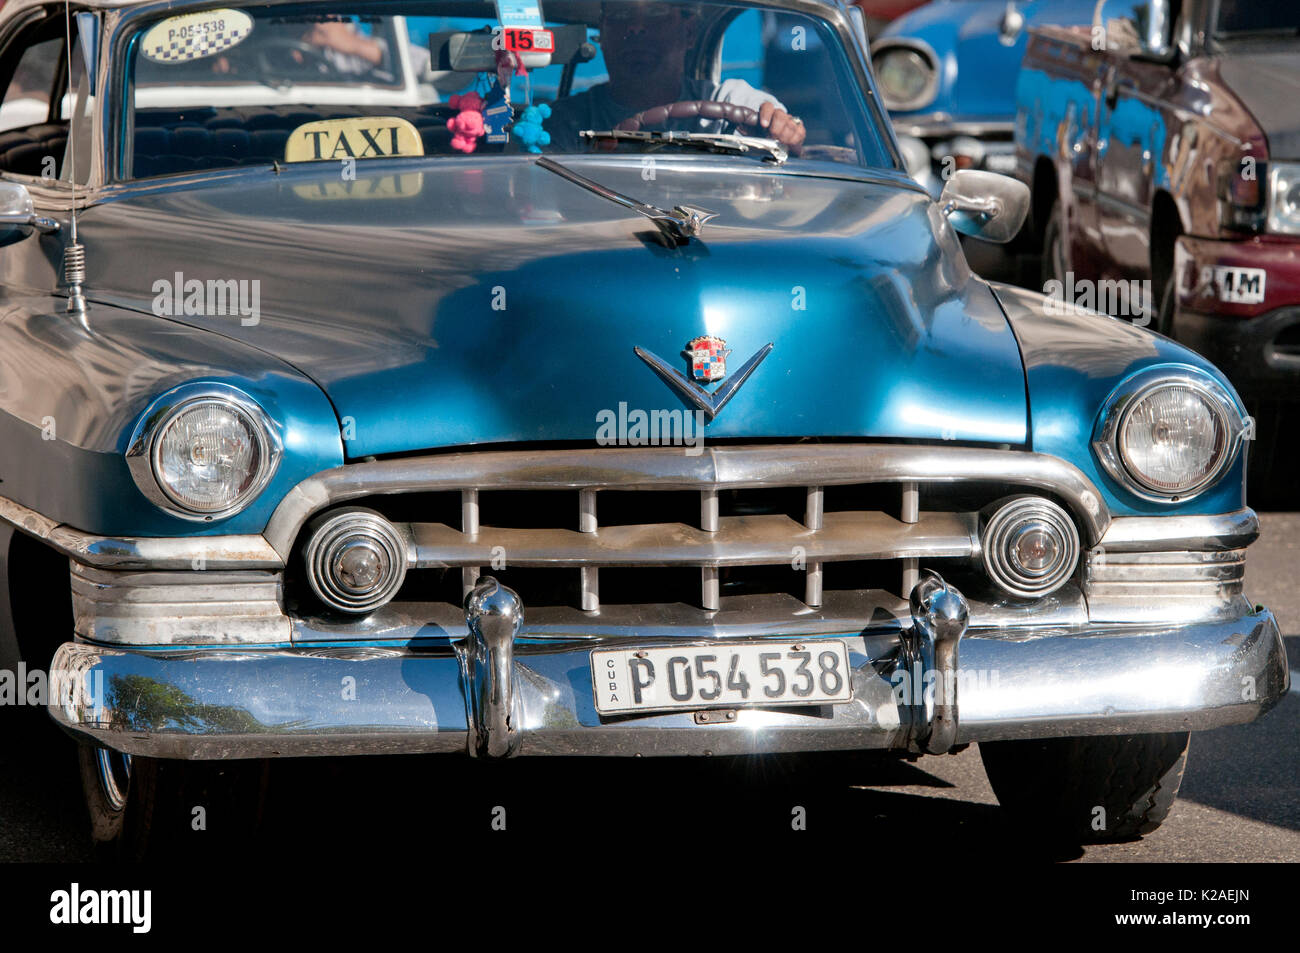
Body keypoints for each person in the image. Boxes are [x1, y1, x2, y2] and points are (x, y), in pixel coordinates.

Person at [545, 1, 806, 152]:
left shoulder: (730, 100)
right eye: (621, 14)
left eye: (656, 12)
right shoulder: (564, 123)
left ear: (689, 32)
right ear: (603, 34)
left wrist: (783, 129)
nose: (636, 28)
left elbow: (780, 128)